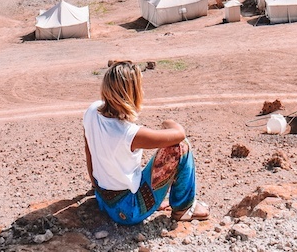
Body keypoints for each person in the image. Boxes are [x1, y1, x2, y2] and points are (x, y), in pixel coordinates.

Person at [83, 60, 209, 225]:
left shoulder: (92, 111)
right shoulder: (129, 133)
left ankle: (154, 202)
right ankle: (183, 209)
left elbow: (89, 150)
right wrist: (167, 122)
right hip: (129, 211)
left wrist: (96, 185)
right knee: (180, 147)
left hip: (103, 198)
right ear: (132, 92)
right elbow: (179, 134)